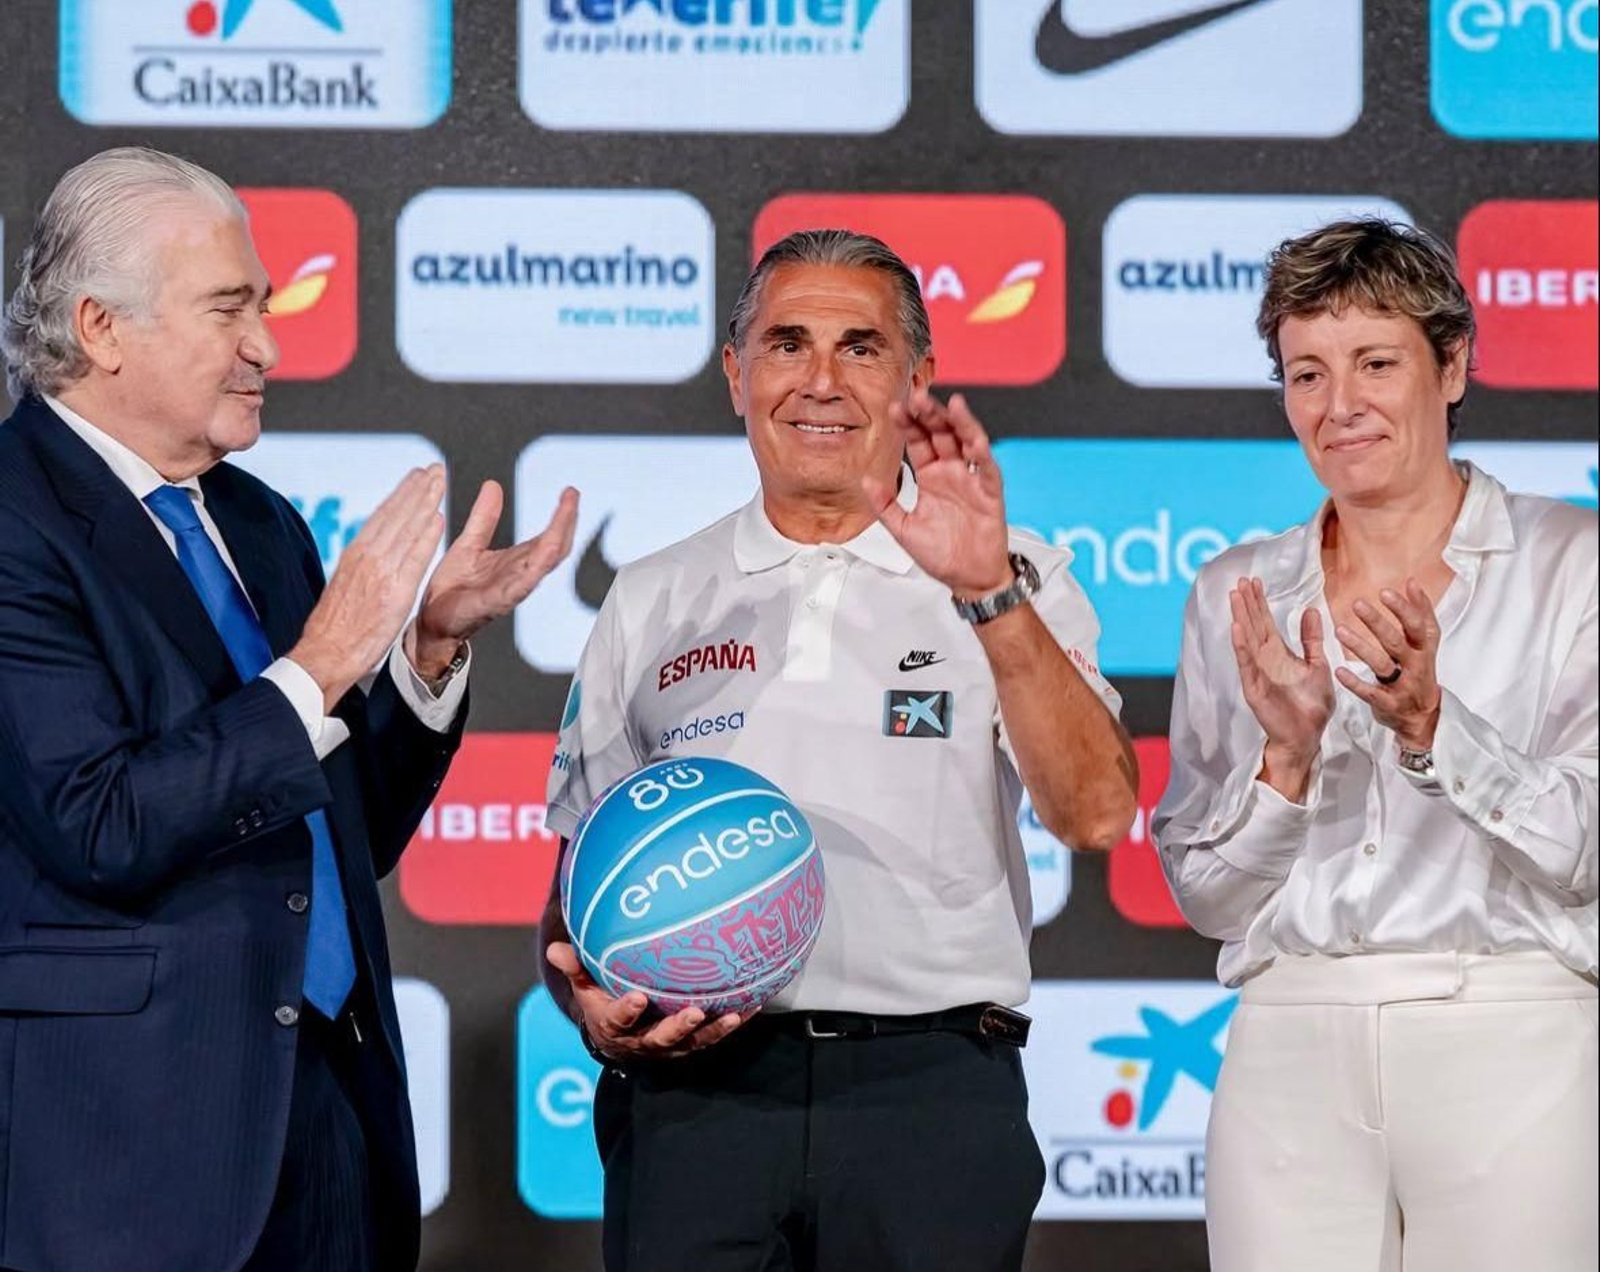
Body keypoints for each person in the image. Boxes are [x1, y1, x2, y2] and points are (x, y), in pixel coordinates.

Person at [0, 147, 577, 1272]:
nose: (268, 344)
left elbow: (338, 826)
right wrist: (317, 666)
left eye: (262, 306)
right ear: (102, 328)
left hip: (325, 1122)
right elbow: (97, 819)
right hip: (127, 1159)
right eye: (229, 309)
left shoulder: (258, 523)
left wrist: (425, 646)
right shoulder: (15, 518)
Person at [539, 228, 1138, 1272]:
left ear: (918, 375)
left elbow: (1094, 813)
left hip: (929, 1096)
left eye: (860, 348)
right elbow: (577, 886)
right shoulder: (653, 594)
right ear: (735, 373)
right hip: (696, 1102)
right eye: (786, 344)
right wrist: (590, 1006)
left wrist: (986, 595)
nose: (820, 382)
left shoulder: (1013, 574)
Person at [1153, 218, 1598, 1272]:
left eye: (1374, 363)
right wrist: (1287, 765)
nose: (1338, 405)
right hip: (1287, 1040)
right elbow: (1207, 899)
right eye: (1306, 372)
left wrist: (1433, 728)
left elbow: (1585, 850)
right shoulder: (1236, 591)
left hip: (1511, 1028)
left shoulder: (1574, 565)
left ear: (1451, 366)